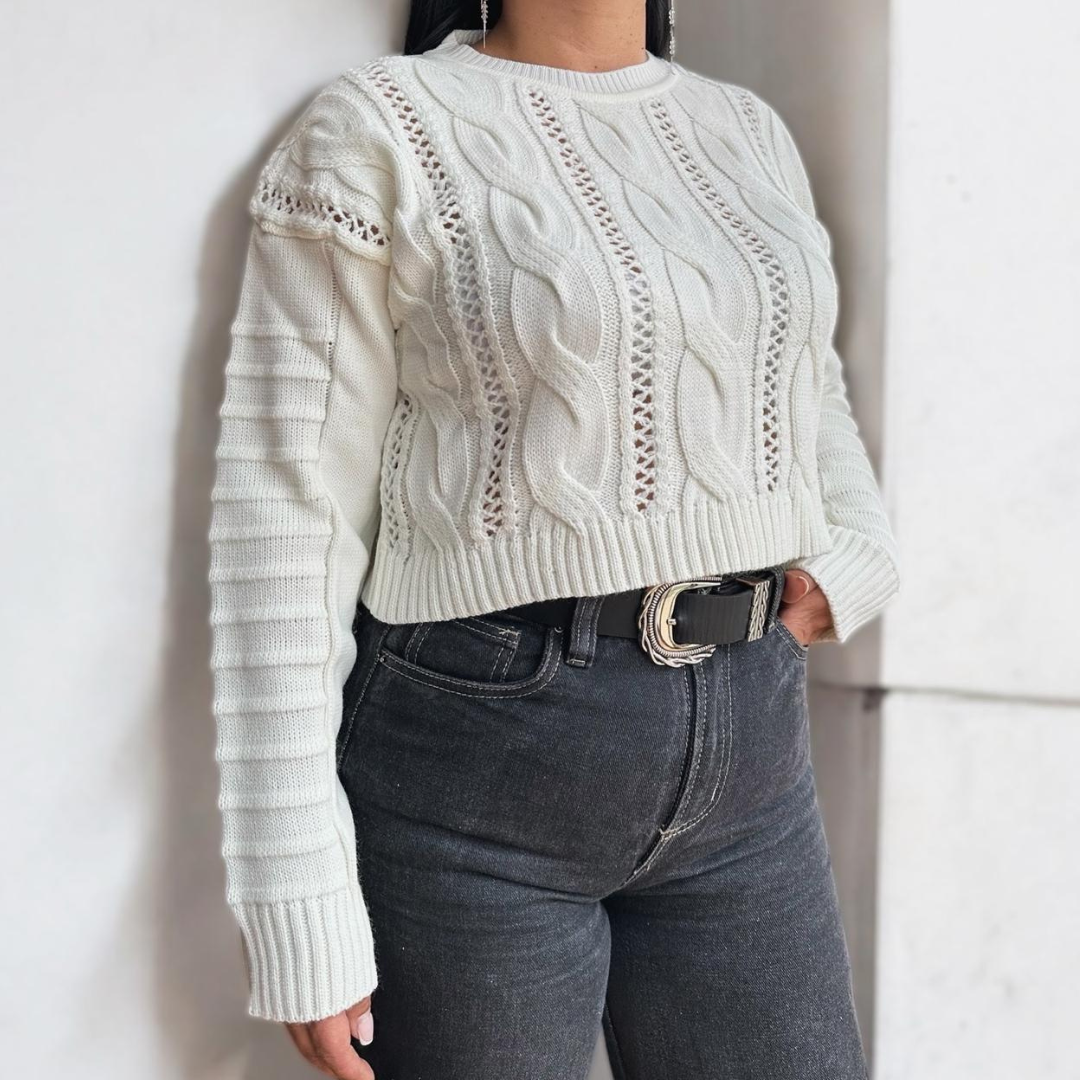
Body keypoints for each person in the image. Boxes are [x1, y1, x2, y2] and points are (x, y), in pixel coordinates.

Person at [207, 1, 899, 1077]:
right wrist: (294, 891)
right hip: (479, 767)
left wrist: (857, 549)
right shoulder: (375, 128)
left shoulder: (746, 130)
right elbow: (286, 513)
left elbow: (807, 392)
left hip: (752, 758)